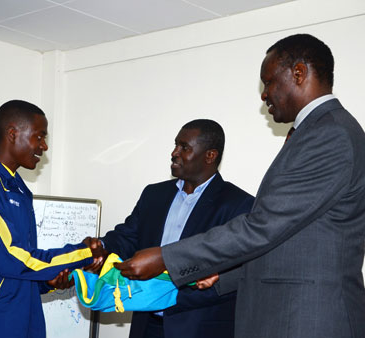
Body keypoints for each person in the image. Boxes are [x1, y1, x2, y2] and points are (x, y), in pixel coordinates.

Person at [114, 34, 365, 338]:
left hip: (309, 318)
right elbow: (289, 238)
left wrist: (167, 257)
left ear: (298, 73)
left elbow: (263, 227)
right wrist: (224, 275)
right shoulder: (317, 132)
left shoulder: (329, 134)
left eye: (268, 82)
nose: (264, 95)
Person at [97, 119, 254, 338]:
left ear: (210, 155)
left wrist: (162, 294)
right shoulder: (154, 195)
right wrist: (100, 247)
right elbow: (127, 237)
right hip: (146, 326)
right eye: (175, 145)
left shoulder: (238, 204)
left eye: (184, 147)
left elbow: (233, 277)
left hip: (198, 328)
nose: (174, 153)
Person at [0, 100, 102, 338]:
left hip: (24, 320)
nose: (44, 146)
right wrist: (83, 252)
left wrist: (46, 283)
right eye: (39, 137)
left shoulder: (18, 188)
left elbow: (22, 261)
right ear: (12, 133)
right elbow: (8, 256)